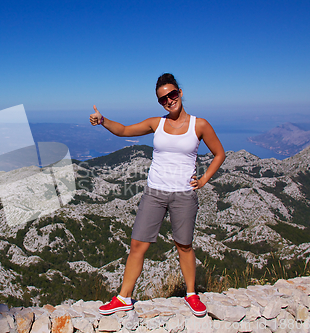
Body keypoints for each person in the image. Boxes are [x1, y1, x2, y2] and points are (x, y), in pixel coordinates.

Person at [89, 73, 225, 317]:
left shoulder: (199, 125)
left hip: (184, 194)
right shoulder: (156, 123)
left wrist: (203, 180)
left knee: (184, 245)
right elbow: (124, 130)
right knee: (137, 244)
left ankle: (191, 295)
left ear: (180, 93)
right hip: (154, 192)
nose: (169, 101)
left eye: (172, 95)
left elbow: (219, 154)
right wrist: (103, 120)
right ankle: (124, 297)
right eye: (163, 99)